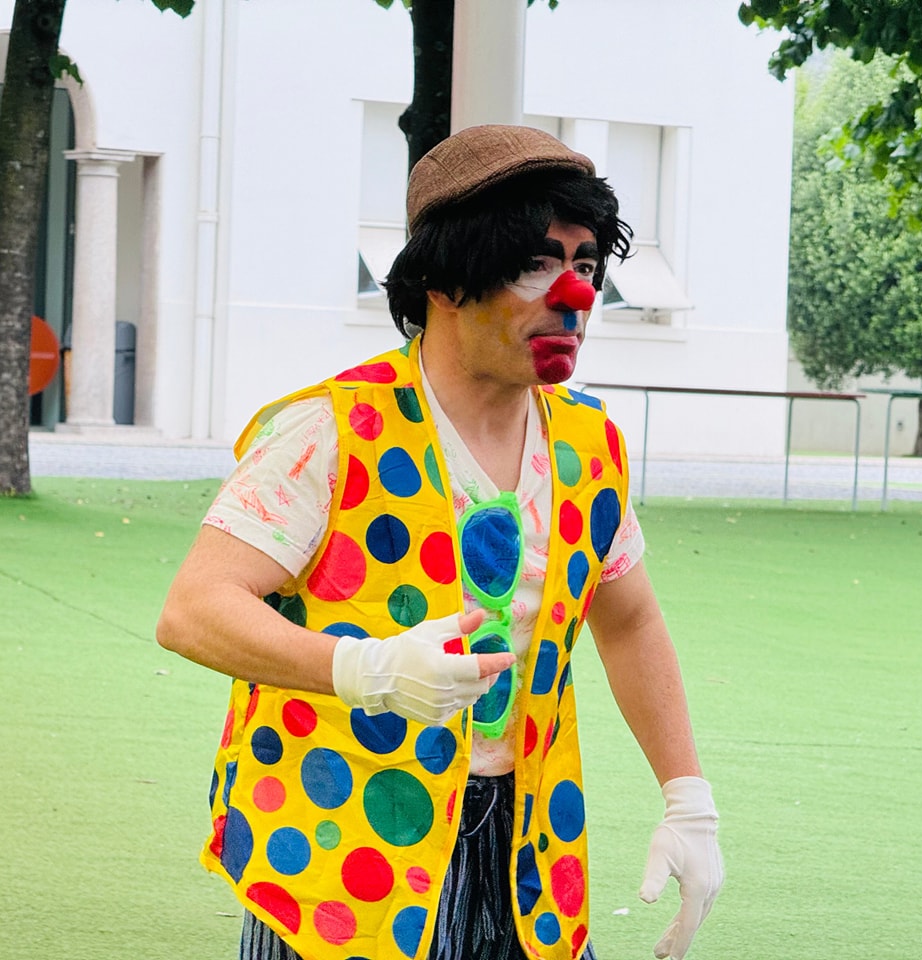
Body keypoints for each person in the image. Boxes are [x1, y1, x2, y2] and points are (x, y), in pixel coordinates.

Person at [157, 124, 723, 960]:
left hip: (530, 860)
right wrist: (365, 669)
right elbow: (195, 609)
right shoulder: (332, 429)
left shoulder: (588, 444)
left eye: (585, 264)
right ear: (445, 280)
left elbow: (629, 618)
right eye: (535, 265)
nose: (574, 296)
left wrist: (687, 797)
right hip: (342, 855)